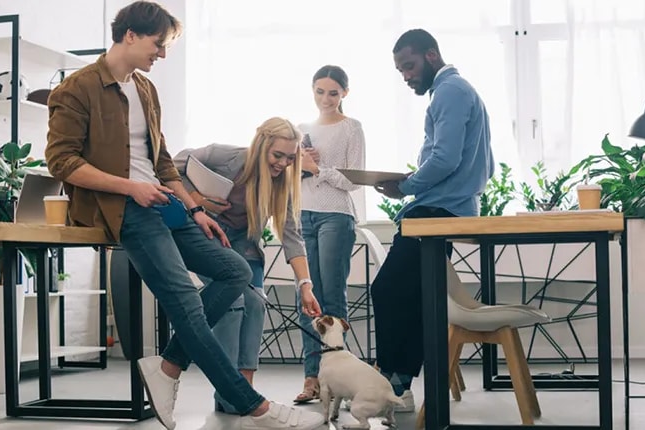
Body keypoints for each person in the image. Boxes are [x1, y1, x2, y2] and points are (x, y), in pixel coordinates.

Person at [44, 2, 324, 429]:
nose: (162, 55)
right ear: (131, 35)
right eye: (159, 45)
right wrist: (130, 187)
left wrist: (194, 209)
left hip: (163, 205)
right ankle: (255, 407)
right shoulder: (77, 88)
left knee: (234, 271)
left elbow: (162, 165)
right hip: (124, 209)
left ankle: (169, 366)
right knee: (188, 304)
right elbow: (61, 162)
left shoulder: (145, 91)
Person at [371, 28, 494, 412]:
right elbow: (478, 165)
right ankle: (400, 384)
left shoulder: (450, 92)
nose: (406, 76)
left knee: (389, 291)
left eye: (408, 66)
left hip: (435, 212)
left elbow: (444, 160)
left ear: (431, 55)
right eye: (400, 70)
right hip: (446, 209)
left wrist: (406, 186)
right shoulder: (457, 92)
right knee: (411, 295)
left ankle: (395, 385)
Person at [172, 117, 322, 414]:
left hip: (244, 243)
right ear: (261, 144)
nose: (282, 163)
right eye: (277, 155)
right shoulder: (225, 156)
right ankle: (230, 391)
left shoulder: (283, 184)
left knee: (256, 305)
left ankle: (244, 391)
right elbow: (171, 166)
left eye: (290, 158)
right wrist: (197, 200)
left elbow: (292, 236)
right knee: (233, 302)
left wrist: (306, 286)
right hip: (207, 234)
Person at [293, 65, 366, 404]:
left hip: (336, 216)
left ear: (344, 94)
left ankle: (339, 381)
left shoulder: (352, 128)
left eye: (333, 93)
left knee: (332, 298)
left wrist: (317, 169)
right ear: (312, 90)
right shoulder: (301, 130)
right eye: (320, 91)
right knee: (307, 299)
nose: (326, 99)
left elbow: (353, 180)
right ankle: (312, 379)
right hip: (302, 215)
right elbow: (287, 176)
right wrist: (299, 166)